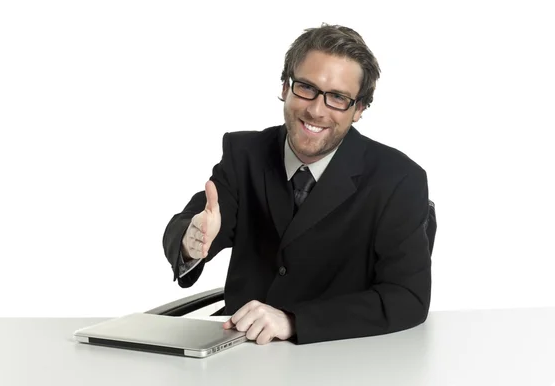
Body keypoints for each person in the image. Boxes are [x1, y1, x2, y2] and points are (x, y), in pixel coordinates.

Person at [162, 23, 434, 346]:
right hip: (241, 354)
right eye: (305, 87)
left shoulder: (399, 180)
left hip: (342, 356)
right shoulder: (244, 154)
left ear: (359, 109)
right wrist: (192, 242)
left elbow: (407, 298)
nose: (316, 110)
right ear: (284, 87)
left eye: (337, 98)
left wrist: (293, 321)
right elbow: (190, 223)